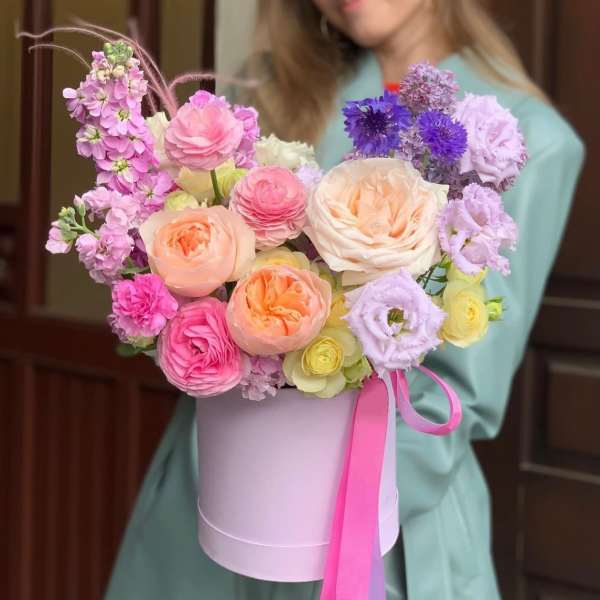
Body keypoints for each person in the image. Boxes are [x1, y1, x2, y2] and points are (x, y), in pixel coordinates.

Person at [105, 1, 584, 598]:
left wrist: (321, 516)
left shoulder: (525, 139)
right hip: (211, 483)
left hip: (380, 513)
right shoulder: (266, 88)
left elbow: (459, 391)